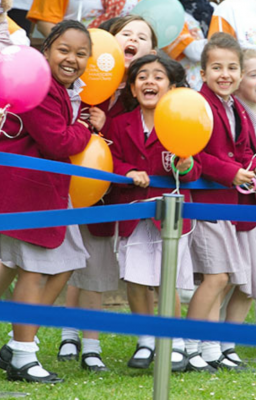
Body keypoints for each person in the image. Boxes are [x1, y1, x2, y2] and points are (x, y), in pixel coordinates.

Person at [56, 14, 159, 372]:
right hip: (73, 185)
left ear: (152, 50)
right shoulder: (85, 81)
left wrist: (106, 130)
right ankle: (71, 333)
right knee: (71, 262)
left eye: (141, 37)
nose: (132, 40)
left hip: (113, 192)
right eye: (124, 34)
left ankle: (86, 338)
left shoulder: (144, 91)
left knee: (95, 266)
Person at [0, 20, 92, 383]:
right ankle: (23, 354)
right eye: (64, 50)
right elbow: (59, 142)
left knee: (65, 260)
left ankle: (17, 343)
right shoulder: (39, 85)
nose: (72, 59)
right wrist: (85, 129)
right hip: (28, 192)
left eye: (81, 53)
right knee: (33, 269)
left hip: (48, 192)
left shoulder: (69, 90)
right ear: (47, 49)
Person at [106, 54, 199, 372]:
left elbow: (194, 164)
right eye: (142, 76)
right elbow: (111, 160)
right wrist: (128, 170)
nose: (149, 81)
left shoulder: (183, 120)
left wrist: (185, 166)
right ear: (132, 88)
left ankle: (171, 341)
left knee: (166, 278)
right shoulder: (119, 125)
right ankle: (146, 339)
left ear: (172, 86)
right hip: (134, 211)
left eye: (158, 76)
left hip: (170, 215)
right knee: (135, 278)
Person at [186, 32, 256, 372]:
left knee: (235, 279)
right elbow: (195, 153)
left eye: (232, 68)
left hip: (237, 205)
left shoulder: (238, 106)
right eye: (217, 67)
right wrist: (231, 172)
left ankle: (214, 345)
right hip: (209, 204)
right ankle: (189, 345)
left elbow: (246, 150)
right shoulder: (197, 104)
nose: (225, 74)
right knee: (216, 277)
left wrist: (255, 171)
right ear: (202, 72)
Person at [222, 48, 256, 363]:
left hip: (254, 207)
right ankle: (207, 342)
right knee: (226, 279)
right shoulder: (235, 113)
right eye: (253, 74)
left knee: (251, 281)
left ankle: (227, 342)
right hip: (231, 209)